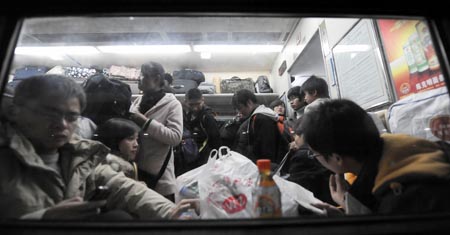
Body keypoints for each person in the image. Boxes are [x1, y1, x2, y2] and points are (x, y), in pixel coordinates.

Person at [0, 74, 197, 220]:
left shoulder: (80, 156)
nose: (61, 124)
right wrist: (42, 219)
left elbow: (125, 189)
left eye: (71, 117)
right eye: (49, 113)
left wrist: (170, 212)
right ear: (16, 112)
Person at [301, 99, 450, 215]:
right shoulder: (414, 148)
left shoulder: (400, 200)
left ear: (337, 158)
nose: (315, 158)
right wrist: (349, 209)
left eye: (315, 154)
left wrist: (349, 207)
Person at [129, 61, 183, 202]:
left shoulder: (172, 104)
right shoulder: (137, 102)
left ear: (157, 79)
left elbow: (175, 137)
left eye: (143, 76)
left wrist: (144, 122)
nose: (139, 79)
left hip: (161, 180)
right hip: (138, 176)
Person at [232, 89, 288, 166]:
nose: (239, 112)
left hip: (268, 167)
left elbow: (267, 149)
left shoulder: (261, 118)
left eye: (240, 107)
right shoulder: (260, 115)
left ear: (249, 103)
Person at [181, 88, 221, 172]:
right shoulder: (186, 115)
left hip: (204, 162)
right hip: (190, 160)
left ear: (203, 100)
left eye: (198, 104)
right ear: (185, 102)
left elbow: (216, 142)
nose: (195, 108)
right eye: (191, 105)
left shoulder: (207, 117)